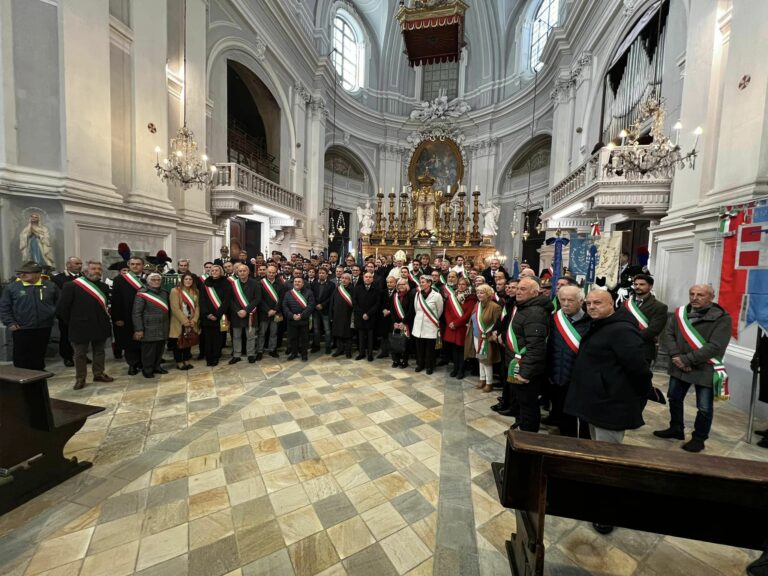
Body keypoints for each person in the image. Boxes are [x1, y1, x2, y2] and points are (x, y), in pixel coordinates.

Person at [565, 288, 652, 535]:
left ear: (612, 304)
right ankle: (595, 498)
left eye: (598, 303)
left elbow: (639, 369)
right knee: (596, 455)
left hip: (610, 406)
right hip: (595, 402)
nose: (592, 307)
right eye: (589, 303)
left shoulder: (621, 330)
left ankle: (606, 512)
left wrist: (636, 397)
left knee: (609, 461)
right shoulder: (600, 325)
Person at [654, 284, 732, 453]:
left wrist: (686, 360)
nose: (695, 298)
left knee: (704, 407)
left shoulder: (722, 318)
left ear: (711, 297)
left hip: (705, 367)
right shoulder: (680, 313)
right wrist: (676, 356)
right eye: (692, 294)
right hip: (679, 365)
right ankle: (676, 428)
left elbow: (715, 346)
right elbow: (668, 334)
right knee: (674, 398)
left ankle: (699, 438)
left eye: (700, 295)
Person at [500, 277, 551, 432]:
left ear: (535, 293)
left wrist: (525, 373)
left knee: (528, 405)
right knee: (520, 402)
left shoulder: (535, 313)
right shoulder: (524, 307)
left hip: (526, 370)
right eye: (518, 288)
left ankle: (527, 437)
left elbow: (535, 347)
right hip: (518, 365)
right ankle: (520, 427)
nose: (518, 292)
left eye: (523, 289)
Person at [55, 261, 114, 390]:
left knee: (99, 351)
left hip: (100, 324)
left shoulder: (104, 287)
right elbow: (62, 309)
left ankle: (99, 374)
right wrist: (72, 322)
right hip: (79, 326)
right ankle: (80, 379)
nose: (97, 271)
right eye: (93, 268)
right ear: (86, 271)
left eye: (99, 269)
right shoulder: (71, 285)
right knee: (80, 354)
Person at [546, 285, 591, 437]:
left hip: (581, 381)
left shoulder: (591, 322)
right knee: (563, 419)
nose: (565, 304)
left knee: (584, 421)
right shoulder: (553, 320)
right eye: (562, 300)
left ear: (581, 301)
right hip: (558, 378)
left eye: (570, 300)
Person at [0, 261, 60, 370]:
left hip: (44, 326)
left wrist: (52, 314)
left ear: (38, 274)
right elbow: (4, 307)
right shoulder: (12, 287)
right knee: (21, 354)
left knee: (39, 352)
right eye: (21, 272)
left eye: (27, 272)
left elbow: (59, 303)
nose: (22, 274)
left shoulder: (50, 286)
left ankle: (39, 373)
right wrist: (10, 322)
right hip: (21, 327)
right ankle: (22, 375)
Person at [112, 257, 146, 375]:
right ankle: (132, 364)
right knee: (130, 341)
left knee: (144, 340)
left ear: (143, 266)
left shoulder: (148, 278)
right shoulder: (120, 279)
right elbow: (116, 300)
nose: (135, 266)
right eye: (133, 264)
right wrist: (117, 317)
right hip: (127, 315)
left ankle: (143, 362)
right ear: (129, 265)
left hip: (145, 315)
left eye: (138, 264)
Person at [132, 273, 170, 378]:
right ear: (148, 281)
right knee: (149, 351)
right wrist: (139, 329)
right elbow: (136, 313)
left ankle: (157, 366)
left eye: (158, 280)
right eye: (153, 280)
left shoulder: (164, 293)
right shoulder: (142, 293)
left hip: (163, 326)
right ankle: (147, 369)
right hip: (148, 327)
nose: (156, 281)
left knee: (160, 349)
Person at [465, 284, 501, 391]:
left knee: (487, 361)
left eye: (482, 293)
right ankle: (482, 379)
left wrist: (491, 337)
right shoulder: (477, 304)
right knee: (480, 359)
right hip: (476, 336)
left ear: (488, 294)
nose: (479, 295)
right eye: (478, 292)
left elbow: (498, 324)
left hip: (487, 339)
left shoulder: (495, 307)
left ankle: (489, 383)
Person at [52, 256, 83, 366]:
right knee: (66, 336)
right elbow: (56, 296)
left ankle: (81, 355)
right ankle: (67, 357)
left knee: (82, 335)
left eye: (80, 264)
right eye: (76, 263)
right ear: (68, 265)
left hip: (82, 312)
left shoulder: (84, 277)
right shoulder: (58, 278)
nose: (79, 266)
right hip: (66, 312)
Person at [199, 264, 232, 366]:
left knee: (218, 339)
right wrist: (207, 314)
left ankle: (216, 357)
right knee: (208, 339)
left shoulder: (226, 283)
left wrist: (217, 315)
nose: (214, 272)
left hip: (220, 316)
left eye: (216, 270)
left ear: (221, 271)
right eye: (212, 270)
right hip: (207, 317)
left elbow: (227, 301)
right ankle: (209, 358)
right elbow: (202, 300)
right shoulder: (205, 283)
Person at [443, 276, 475, 379]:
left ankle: (461, 370)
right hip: (452, 327)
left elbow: (468, 314)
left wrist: (456, 323)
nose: (461, 286)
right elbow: (447, 310)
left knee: (461, 350)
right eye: (459, 284)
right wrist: (450, 323)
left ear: (467, 286)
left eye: (463, 284)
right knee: (454, 349)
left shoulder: (471, 298)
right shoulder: (453, 296)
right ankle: (455, 368)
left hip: (462, 328)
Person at [228, 263, 260, 364]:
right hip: (236, 314)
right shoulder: (233, 284)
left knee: (250, 336)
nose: (242, 273)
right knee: (236, 336)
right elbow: (230, 300)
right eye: (240, 271)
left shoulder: (255, 283)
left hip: (250, 314)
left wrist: (246, 310)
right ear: (237, 272)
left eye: (244, 271)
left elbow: (257, 299)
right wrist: (238, 311)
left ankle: (251, 354)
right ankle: (236, 355)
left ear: (248, 272)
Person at [412, 276, 443, 374]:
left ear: (429, 283)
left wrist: (431, 319)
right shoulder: (417, 294)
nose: (421, 284)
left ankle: (430, 366)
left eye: (423, 282)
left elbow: (439, 310)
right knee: (419, 347)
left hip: (431, 325)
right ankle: (420, 364)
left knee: (430, 349)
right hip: (419, 325)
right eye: (420, 282)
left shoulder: (437, 295)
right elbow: (416, 308)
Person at [169, 272, 199, 370]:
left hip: (191, 321)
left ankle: (186, 360)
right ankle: (179, 361)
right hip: (179, 321)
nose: (188, 281)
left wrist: (194, 320)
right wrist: (185, 321)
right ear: (182, 280)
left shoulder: (195, 291)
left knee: (188, 340)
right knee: (178, 342)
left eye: (190, 279)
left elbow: (197, 307)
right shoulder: (175, 291)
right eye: (186, 279)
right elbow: (175, 308)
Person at [282, 276, 315, 361]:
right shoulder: (288, 293)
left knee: (304, 339)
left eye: (299, 282)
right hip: (292, 320)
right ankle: (294, 353)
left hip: (304, 320)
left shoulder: (309, 292)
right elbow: (284, 306)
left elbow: (311, 306)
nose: (297, 283)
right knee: (293, 338)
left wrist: (302, 315)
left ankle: (304, 354)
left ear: (303, 284)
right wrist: (291, 315)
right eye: (295, 281)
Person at [256, 264, 284, 360]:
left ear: (276, 273)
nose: (271, 274)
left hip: (276, 313)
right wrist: (268, 310)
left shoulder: (280, 284)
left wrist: (275, 310)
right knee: (262, 333)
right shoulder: (260, 283)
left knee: (274, 332)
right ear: (266, 272)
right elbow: (259, 299)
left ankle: (272, 349)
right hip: (264, 313)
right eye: (269, 272)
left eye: (273, 272)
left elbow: (281, 299)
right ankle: (259, 351)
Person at [353, 271, 380, 361]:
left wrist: (368, 314)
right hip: (360, 316)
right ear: (363, 278)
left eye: (370, 277)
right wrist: (362, 314)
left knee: (370, 337)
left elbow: (377, 304)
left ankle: (370, 354)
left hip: (371, 317)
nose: (368, 278)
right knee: (361, 337)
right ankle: (361, 353)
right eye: (366, 277)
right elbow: (355, 303)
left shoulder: (376, 289)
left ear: (372, 279)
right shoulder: (357, 289)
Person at [391, 278, 414, 368]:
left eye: (403, 284)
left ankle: (405, 360)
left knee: (405, 343)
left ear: (407, 285)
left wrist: (403, 322)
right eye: (399, 285)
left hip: (406, 323)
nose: (401, 286)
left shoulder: (410, 295)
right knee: (396, 341)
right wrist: (394, 322)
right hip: (396, 324)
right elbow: (392, 310)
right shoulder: (395, 295)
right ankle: (396, 360)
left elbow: (411, 311)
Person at [330, 273, 355, 358]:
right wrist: (331, 314)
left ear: (350, 280)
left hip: (348, 315)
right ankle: (339, 350)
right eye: (342, 278)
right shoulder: (337, 289)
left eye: (346, 278)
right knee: (338, 333)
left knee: (348, 334)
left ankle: (348, 351)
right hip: (337, 315)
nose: (344, 280)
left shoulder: (353, 289)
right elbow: (332, 301)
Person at [312, 267, 334, 354]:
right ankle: (316, 346)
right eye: (320, 273)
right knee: (316, 329)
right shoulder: (314, 284)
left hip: (325, 310)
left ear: (327, 275)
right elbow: (312, 296)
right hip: (316, 310)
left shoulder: (331, 285)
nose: (321, 274)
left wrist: (322, 305)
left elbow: (331, 297)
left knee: (327, 330)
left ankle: (328, 347)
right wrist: (316, 305)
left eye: (323, 273)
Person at [378, 275, 397, 359]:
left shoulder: (397, 292)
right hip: (384, 317)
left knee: (393, 335)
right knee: (384, 335)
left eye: (391, 282)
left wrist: (390, 311)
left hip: (393, 317)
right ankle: (384, 352)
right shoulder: (382, 292)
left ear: (395, 283)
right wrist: (383, 309)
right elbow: (379, 303)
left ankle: (394, 353)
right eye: (388, 282)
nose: (389, 284)